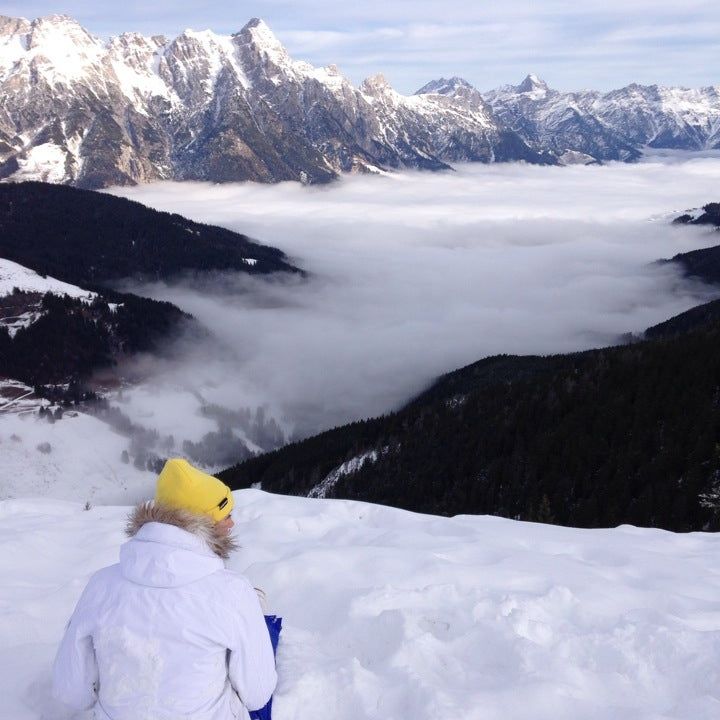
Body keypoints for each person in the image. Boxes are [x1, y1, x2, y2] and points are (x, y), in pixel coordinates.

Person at [52, 458, 278, 720]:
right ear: (205, 522)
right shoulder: (233, 593)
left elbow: (70, 690)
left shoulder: (101, 586)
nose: (231, 524)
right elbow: (257, 693)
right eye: (225, 514)